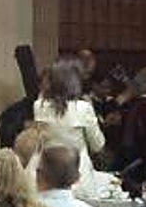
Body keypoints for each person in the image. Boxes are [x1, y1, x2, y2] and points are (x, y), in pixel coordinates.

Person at [32, 56, 106, 191]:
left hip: (48, 173)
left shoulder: (38, 106)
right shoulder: (83, 108)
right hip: (78, 176)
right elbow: (97, 145)